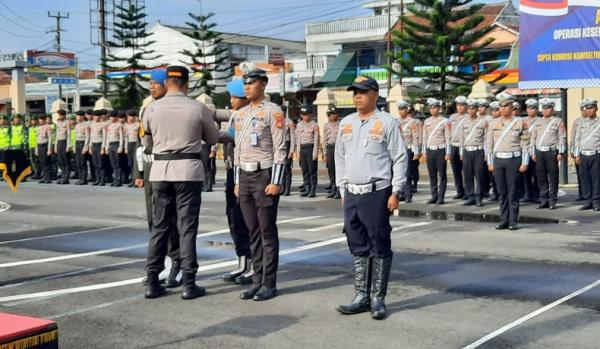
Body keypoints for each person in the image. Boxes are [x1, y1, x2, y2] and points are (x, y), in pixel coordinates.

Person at [143, 65, 220, 300]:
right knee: (187, 228)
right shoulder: (198, 108)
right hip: (188, 172)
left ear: (166, 83)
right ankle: (188, 283)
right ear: (187, 84)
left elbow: (146, 145)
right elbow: (213, 138)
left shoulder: (151, 109)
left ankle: (152, 281)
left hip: (160, 173)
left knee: (160, 227)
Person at [335, 76, 407, 320]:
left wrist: (396, 191)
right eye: (355, 92)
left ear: (375, 95)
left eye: (363, 92)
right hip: (352, 193)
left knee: (379, 244)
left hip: (377, 193)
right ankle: (360, 295)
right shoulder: (346, 123)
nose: (357, 96)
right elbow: (340, 159)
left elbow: (399, 158)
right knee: (357, 244)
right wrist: (342, 188)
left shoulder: (387, 122)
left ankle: (378, 298)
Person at [232, 62, 286, 301]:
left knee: (266, 231)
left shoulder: (273, 111)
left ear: (263, 84)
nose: (247, 88)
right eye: (244, 84)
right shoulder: (240, 114)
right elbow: (237, 150)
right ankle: (256, 279)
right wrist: (236, 181)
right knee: (252, 231)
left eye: (251, 83)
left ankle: (269, 282)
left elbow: (281, 148)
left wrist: (276, 181)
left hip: (264, 176)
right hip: (244, 177)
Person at [133, 69, 182, 289]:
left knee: (171, 221)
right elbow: (140, 145)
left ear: (167, 85)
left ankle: (177, 264)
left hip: (168, 169)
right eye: (150, 83)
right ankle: (161, 266)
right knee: (154, 221)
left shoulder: (174, 107)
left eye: (155, 83)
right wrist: (139, 173)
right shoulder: (147, 109)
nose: (151, 87)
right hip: (151, 170)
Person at [221, 78, 253, 285]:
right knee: (234, 218)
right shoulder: (235, 116)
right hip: (232, 173)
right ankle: (242, 261)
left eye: (235, 97)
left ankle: (253, 264)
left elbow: (230, 136)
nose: (231, 100)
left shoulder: (250, 118)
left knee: (247, 220)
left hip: (246, 174)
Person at [486, 93, 530, 230]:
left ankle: (513, 221)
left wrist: (525, 162)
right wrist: (490, 162)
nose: (503, 109)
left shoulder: (520, 123)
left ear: (512, 107)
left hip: (513, 159)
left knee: (513, 192)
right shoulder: (493, 123)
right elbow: (489, 144)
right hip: (498, 160)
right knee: (501, 192)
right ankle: (503, 219)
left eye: (506, 106)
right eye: (501, 106)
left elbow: (525, 144)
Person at [530, 98, 566, 210]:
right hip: (540, 152)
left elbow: (562, 137)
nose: (546, 110)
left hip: (551, 152)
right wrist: (533, 152)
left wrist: (561, 152)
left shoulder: (557, 121)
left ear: (552, 109)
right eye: (544, 108)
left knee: (553, 176)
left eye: (548, 108)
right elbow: (533, 138)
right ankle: (543, 199)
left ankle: (552, 200)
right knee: (541, 177)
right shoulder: (537, 122)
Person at [459, 99, 488, 207]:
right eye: (469, 108)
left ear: (477, 109)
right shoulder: (463, 122)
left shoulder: (483, 121)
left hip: (479, 151)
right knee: (467, 174)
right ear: (467, 109)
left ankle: (478, 197)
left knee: (479, 174)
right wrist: (461, 153)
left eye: (473, 108)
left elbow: (486, 138)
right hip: (467, 151)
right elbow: (461, 138)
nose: (471, 110)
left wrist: (486, 154)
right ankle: (470, 196)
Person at [422, 98, 451, 204]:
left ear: (439, 108)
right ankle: (434, 195)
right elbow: (424, 137)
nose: (432, 110)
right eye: (431, 108)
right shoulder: (427, 121)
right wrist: (424, 151)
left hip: (440, 150)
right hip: (430, 150)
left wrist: (448, 152)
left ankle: (441, 197)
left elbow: (448, 137)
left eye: (434, 107)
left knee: (442, 174)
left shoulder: (444, 121)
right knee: (432, 174)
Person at [574, 98, 600, 211]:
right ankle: (588, 201)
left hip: (596, 154)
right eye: (587, 108)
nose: (589, 110)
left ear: (596, 109)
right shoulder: (581, 123)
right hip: (583, 155)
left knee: (596, 179)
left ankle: (596, 202)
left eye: (591, 108)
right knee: (585, 179)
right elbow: (577, 139)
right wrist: (576, 155)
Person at [397, 99, 421, 203]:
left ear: (407, 109)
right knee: (399, 172)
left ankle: (408, 194)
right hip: (399, 149)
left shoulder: (412, 122)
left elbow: (415, 138)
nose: (401, 111)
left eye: (403, 109)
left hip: (408, 148)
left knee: (407, 173)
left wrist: (417, 152)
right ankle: (401, 193)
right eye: (399, 109)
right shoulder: (397, 121)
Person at [295, 106, 319, 198]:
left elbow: (316, 139)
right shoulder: (299, 125)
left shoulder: (314, 125)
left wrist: (315, 152)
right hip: (302, 149)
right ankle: (307, 187)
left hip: (310, 148)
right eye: (303, 115)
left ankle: (313, 189)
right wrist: (297, 151)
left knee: (312, 170)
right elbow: (298, 139)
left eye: (307, 114)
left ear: (310, 115)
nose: (305, 117)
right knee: (304, 170)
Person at [522, 99, 541, 204]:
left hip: (537, 150)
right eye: (529, 108)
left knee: (537, 174)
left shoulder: (541, 121)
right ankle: (527, 194)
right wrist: (525, 145)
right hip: (526, 150)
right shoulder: (523, 121)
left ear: (537, 109)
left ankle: (536, 194)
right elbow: (523, 135)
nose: (530, 110)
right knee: (526, 174)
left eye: (533, 108)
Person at [449, 96, 468, 200]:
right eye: (458, 105)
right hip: (454, 145)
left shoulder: (468, 117)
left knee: (466, 170)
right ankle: (459, 191)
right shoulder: (452, 117)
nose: (460, 107)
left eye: (462, 105)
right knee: (456, 170)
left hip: (464, 146)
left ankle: (467, 191)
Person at [323, 106, 341, 199]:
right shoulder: (326, 125)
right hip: (330, 148)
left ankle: (338, 190)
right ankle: (333, 189)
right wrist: (324, 153)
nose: (332, 116)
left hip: (338, 148)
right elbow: (325, 139)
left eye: (334, 114)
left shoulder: (341, 124)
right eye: (330, 114)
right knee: (331, 170)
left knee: (338, 170)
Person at [571, 104, 586, 201]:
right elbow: (573, 137)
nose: (584, 112)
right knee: (580, 174)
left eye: (586, 109)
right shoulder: (577, 122)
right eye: (582, 110)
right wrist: (572, 150)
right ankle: (581, 193)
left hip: (590, 150)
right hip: (578, 151)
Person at [105, 110, 124, 187]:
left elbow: (122, 137)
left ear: (116, 117)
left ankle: (119, 180)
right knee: (113, 164)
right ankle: (115, 179)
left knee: (118, 163)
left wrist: (120, 147)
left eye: (113, 117)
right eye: (110, 117)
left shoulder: (119, 125)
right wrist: (106, 146)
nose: (112, 118)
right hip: (111, 145)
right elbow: (108, 136)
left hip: (117, 144)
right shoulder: (109, 125)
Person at [54, 109, 71, 184]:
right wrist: (55, 146)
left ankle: (66, 178)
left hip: (64, 142)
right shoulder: (58, 123)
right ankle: (63, 177)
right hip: (59, 143)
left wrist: (68, 145)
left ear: (63, 115)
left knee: (65, 161)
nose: (58, 116)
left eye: (59, 115)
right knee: (60, 161)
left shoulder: (67, 123)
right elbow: (57, 135)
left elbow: (69, 135)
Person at [90, 110, 107, 186]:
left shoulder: (103, 125)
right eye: (95, 116)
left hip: (100, 145)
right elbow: (91, 136)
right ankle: (97, 179)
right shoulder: (92, 124)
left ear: (100, 117)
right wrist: (90, 146)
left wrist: (103, 147)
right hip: (93, 145)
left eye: (97, 116)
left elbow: (104, 137)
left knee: (101, 164)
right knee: (95, 163)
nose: (96, 117)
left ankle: (102, 180)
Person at [73, 110, 90, 185]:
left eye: (80, 116)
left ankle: (84, 179)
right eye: (77, 116)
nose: (78, 117)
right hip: (77, 143)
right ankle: (80, 178)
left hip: (83, 143)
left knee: (83, 162)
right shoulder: (77, 125)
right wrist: (74, 146)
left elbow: (87, 136)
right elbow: (75, 136)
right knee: (78, 162)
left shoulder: (86, 124)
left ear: (83, 116)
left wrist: (86, 147)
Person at [36, 115, 53, 184]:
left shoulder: (48, 127)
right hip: (39, 146)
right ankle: (44, 177)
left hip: (44, 146)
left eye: (42, 119)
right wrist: (36, 149)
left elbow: (50, 138)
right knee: (42, 162)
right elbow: (37, 139)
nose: (40, 121)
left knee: (46, 162)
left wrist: (49, 149)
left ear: (45, 120)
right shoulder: (39, 128)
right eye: (40, 119)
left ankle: (48, 178)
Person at [125, 110, 139, 187]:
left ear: (134, 117)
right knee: (130, 163)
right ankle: (132, 180)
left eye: (132, 116)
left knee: (136, 163)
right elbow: (126, 137)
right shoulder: (126, 126)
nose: (130, 118)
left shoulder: (138, 125)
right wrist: (126, 147)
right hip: (130, 144)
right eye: (129, 116)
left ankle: (137, 180)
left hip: (136, 144)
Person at [282, 115, 296, 196]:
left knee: (287, 168)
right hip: (279, 146)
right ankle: (282, 187)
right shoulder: (276, 121)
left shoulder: (289, 122)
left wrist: (291, 151)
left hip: (287, 144)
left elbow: (293, 137)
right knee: (281, 168)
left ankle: (287, 189)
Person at [27, 115, 40, 180]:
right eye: (32, 120)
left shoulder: (38, 128)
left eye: (34, 120)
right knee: (32, 160)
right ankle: (34, 172)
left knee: (37, 160)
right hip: (31, 146)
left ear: (37, 121)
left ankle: (38, 172)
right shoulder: (30, 128)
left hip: (37, 146)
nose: (33, 121)